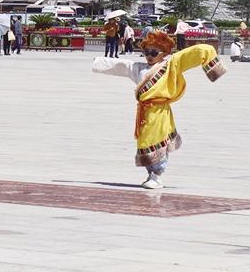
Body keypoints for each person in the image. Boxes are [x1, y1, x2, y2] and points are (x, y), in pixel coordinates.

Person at [92, 31, 226, 189]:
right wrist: (97, 63)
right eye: (146, 52)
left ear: (164, 52)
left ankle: (157, 175)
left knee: (157, 141)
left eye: (154, 52)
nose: (149, 56)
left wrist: (212, 64)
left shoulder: (171, 65)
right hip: (144, 113)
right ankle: (150, 173)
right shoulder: (139, 68)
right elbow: (122, 66)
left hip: (160, 112)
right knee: (146, 141)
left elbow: (195, 52)